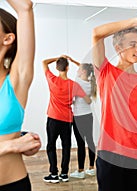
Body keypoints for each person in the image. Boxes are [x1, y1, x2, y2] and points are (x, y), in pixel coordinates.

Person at [92, 11, 137, 191]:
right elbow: (96, 33)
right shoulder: (105, 72)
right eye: (132, 45)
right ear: (118, 48)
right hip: (110, 153)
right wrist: (136, 21)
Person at [0, 0, 41, 190]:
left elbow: (25, 8)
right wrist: (11, 146)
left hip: (15, 185)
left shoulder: (16, 82)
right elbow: (13, 145)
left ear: (7, 39)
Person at [42, 55, 91, 183]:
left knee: (51, 145)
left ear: (57, 68)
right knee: (66, 146)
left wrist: (58, 58)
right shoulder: (74, 85)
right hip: (67, 119)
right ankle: (64, 174)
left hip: (53, 118)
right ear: (68, 68)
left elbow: (44, 62)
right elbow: (87, 99)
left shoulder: (52, 79)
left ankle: (53, 174)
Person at [69, 59, 97, 179]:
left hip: (78, 117)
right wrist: (73, 61)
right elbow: (86, 67)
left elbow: (71, 99)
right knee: (90, 141)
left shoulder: (77, 82)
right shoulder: (91, 83)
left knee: (81, 144)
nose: (77, 70)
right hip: (88, 115)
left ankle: (80, 171)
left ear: (83, 71)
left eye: (79, 70)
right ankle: (91, 168)